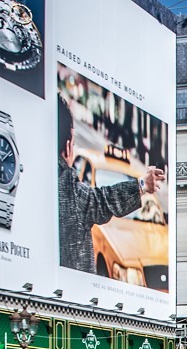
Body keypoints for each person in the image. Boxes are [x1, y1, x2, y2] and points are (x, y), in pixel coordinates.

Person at [56, 98, 163, 275]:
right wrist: (142, 184)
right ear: (68, 147)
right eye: (74, 144)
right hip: (70, 294)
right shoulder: (68, 188)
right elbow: (103, 200)